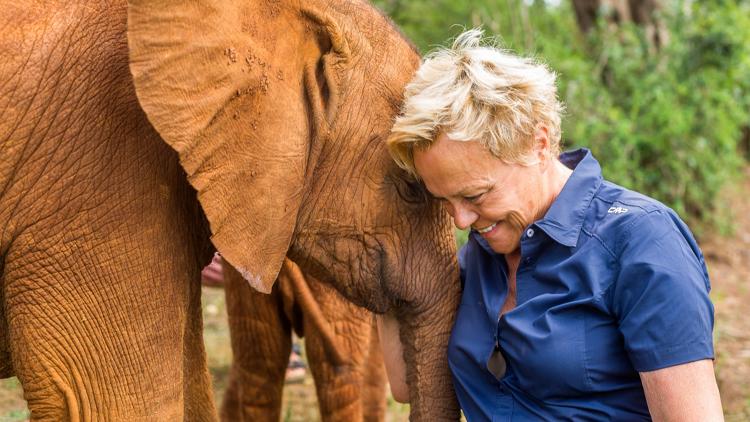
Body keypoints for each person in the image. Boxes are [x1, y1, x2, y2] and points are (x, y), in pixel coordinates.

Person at [381, 28, 724, 421]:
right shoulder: (478, 257)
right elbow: (407, 384)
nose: (461, 221)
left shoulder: (643, 241)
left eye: (475, 196)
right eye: (444, 200)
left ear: (538, 144)